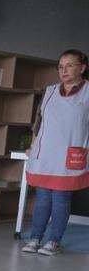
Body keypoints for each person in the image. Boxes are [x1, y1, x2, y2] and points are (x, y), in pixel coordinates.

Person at [22, 49, 89, 256]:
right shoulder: (50, 91)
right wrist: (32, 147)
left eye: (69, 65)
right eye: (60, 66)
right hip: (45, 154)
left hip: (71, 153)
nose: (64, 70)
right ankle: (35, 238)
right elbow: (38, 123)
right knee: (42, 197)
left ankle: (54, 241)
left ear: (82, 68)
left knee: (61, 198)